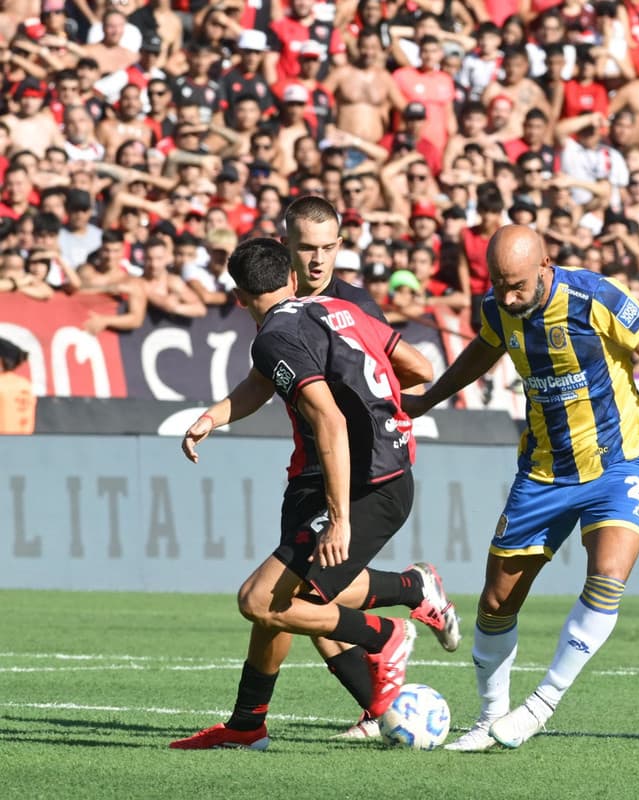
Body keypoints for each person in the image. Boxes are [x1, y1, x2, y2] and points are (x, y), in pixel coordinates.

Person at [402, 225, 639, 751]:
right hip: (542, 472)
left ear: (545, 265)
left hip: (616, 464)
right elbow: (483, 350)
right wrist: (429, 398)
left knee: (607, 577)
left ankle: (540, 705)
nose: (508, 298)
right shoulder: (497, 309)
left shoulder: (594, 298)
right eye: (498, 285)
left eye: (517, 285)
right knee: (495, 602)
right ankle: (489, 719)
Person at [169, 238, 452, 750]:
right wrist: (214, 416)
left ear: (238, 298)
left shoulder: (274, 335)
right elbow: (415, 368)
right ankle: (247, 724)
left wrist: (340, 517)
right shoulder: (338, 307)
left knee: (261, 600)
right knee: (283, 595)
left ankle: (384, 636)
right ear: (293, 279)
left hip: (365, 484)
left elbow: (329, 418)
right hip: (363, 473)